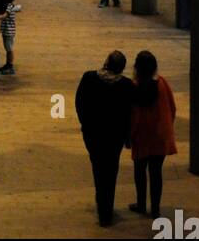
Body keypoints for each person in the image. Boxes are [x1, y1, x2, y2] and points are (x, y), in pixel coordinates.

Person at [75, 51, 135, 226]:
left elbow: (79, 103)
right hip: (114, 136)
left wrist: (85, 123)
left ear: (106, 62)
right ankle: (106, 209)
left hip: (93, 134)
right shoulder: (126, 85)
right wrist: (127, 136)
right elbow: (129, 113)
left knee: (98, 168)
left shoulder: (89, 78)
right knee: (111, 169)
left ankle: (102, 206)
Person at [129, 51, 176, 218]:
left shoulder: (135, 88)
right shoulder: (162, 83)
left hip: (142, 136)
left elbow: (134, 116)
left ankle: (141, 204)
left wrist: (129, 136)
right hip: (160, 135)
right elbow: (172, 107)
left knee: (140, 171)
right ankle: (155, 209)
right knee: (156, 173)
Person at [0, 0, 21, 75]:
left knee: (9, 49)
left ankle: (10, 66)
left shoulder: (9, 6)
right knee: (7, 47)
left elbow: (5, 16)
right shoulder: (10, 6)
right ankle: (8, 64)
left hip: (9, 31)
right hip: (7, 31)